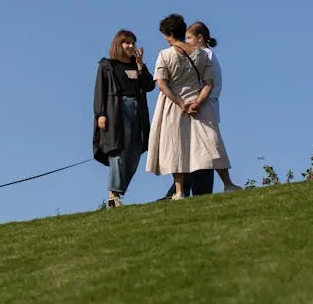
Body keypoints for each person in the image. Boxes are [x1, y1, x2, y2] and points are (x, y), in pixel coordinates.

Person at [145, 14, 231, 199]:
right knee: (209, 144)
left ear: (168, 34)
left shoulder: (165, 54)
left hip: (174, 105)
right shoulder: (201, 53)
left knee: (176, 145)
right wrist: (198, 102)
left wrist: (181, 103)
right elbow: (209, 83)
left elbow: (161, 84)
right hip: (199, 104)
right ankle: (228, 183)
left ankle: (179, 191)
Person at [93, 29, 156, 208]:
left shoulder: (136, 65)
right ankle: (113, 194)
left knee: (135, 151)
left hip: (138, 110)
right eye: (126, 42)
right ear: (118, 44)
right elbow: (99, 92)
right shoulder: (107, 66)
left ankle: (118, 192)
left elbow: (149, 86)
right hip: (116, 111)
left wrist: (140, 65)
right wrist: (101, 114)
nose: (130, 46)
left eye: (132, 43)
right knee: (118, 151)